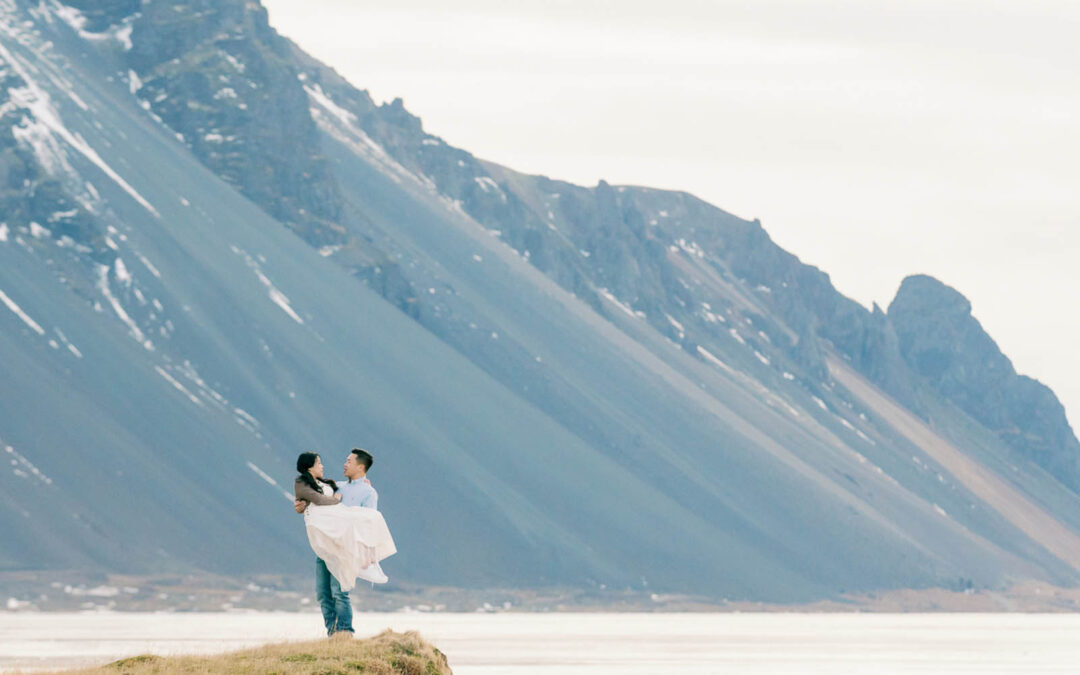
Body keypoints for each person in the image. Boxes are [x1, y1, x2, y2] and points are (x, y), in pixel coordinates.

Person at [294, 451, 395, 637]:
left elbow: (368, 523)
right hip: (325, 546)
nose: (344, 464)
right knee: (323, 594)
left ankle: (345, 633)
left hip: (345, 549)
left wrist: (367, 553)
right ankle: (332, 634)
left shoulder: (368, 492)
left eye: (349, 461)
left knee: (339, 592)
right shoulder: (336, 487)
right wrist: (301, 505)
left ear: (360, 467)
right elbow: (316, 500)